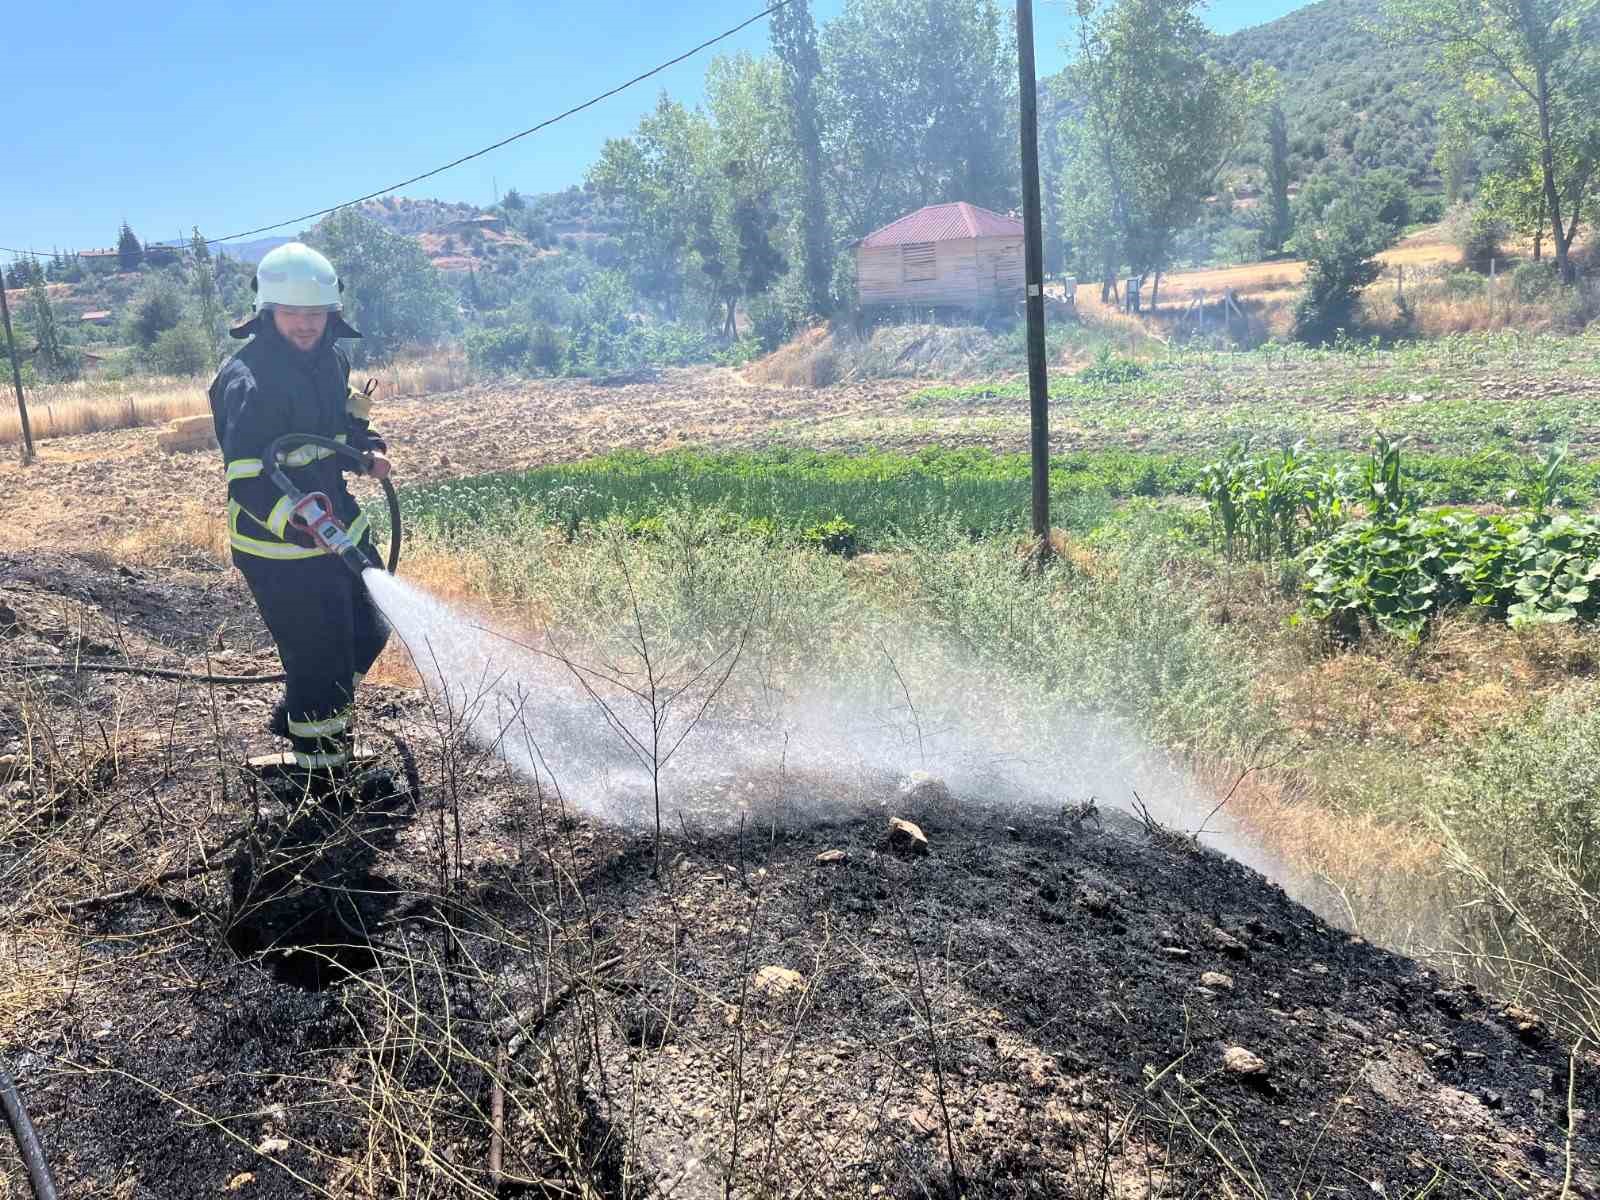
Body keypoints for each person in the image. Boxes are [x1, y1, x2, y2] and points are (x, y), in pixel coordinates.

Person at [207, 242, 391, 790]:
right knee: (322, 656)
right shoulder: (247, 379)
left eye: (316, 314)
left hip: (341, 527)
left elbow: (339, 425)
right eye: (294, 313)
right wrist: (295, 519)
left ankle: (302, 711)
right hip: (282, 549)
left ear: (331, 314)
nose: (307, 324)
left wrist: (367, 448)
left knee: (371, 627)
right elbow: (246, 477)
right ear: (268, 312)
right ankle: (321, 788)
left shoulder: (332, 358)